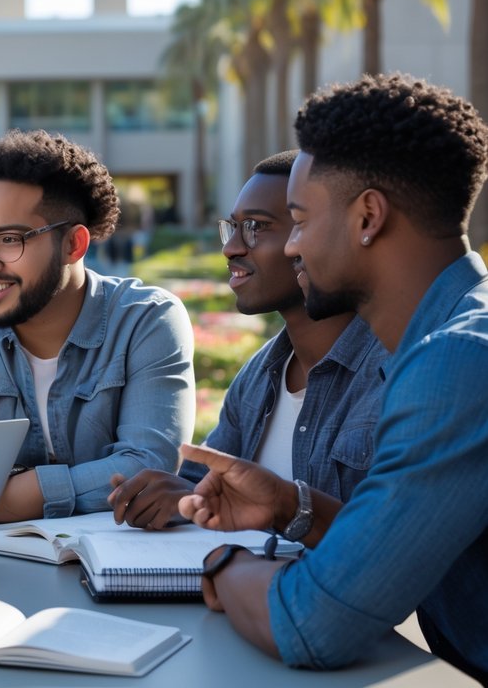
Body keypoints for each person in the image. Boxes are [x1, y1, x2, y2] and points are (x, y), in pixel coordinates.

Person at [180, 74, 488, 681]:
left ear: (368, 217)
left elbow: (312, 623)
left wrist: (219, 563)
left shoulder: (458, 361)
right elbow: (403, 538)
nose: (291, 248)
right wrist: (295, 506)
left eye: (297, 221)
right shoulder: (449, 342)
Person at [0, 129, 195, 521]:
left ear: (74, 245)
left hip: (119, 570)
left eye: (8, 240)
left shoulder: (146, 320)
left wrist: (3, 500)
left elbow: (147, 469)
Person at [108, 151, 387, 529]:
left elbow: (392, 542)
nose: (231, 248)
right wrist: (179, 498)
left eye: (256, 227)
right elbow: (200, 485)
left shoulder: (393, 373)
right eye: (233, 227)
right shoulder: (260, 374)